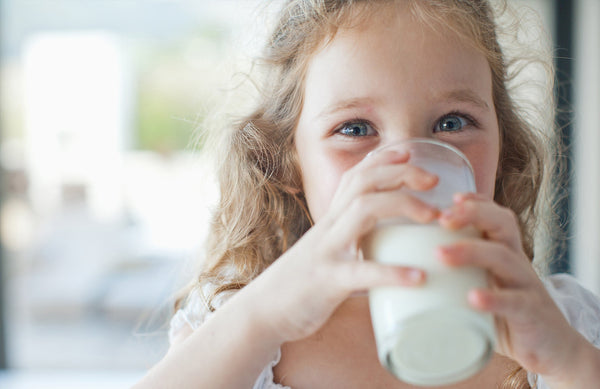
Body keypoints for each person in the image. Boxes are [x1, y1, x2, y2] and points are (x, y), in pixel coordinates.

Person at [134, 0, 600, 388]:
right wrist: (264, 314)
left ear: (504, 143)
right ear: (289, 161)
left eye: (452, 123)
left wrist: (568, 364)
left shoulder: (562, 325)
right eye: (355, 129)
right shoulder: (239, 335)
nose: (410, 168)